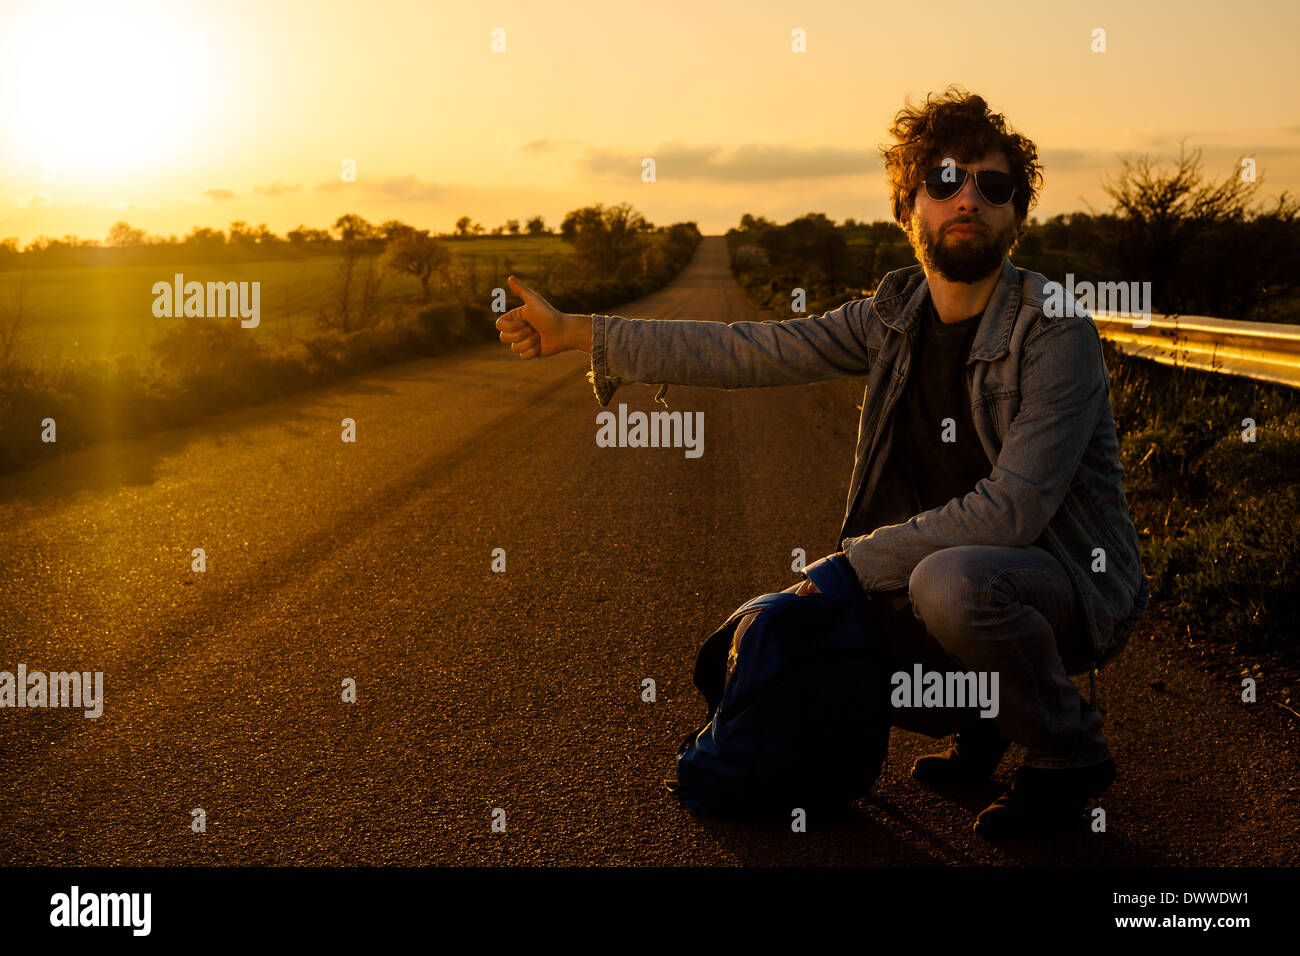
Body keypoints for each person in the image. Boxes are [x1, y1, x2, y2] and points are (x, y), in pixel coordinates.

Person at [494, 86, 1150, 839]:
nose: (968, 198)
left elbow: (1013, 514)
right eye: (944, 181)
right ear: (907, 212)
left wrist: (847, 565)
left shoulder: (1054, 331)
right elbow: (750, 348)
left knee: (936, 578)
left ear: (1016, 217)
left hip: (1066, 579)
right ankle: (988, 723)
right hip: (973, 581)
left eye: (992, 186)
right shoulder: (889, 318)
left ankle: (1067, 750)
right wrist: (581, 332)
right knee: (828, 625)